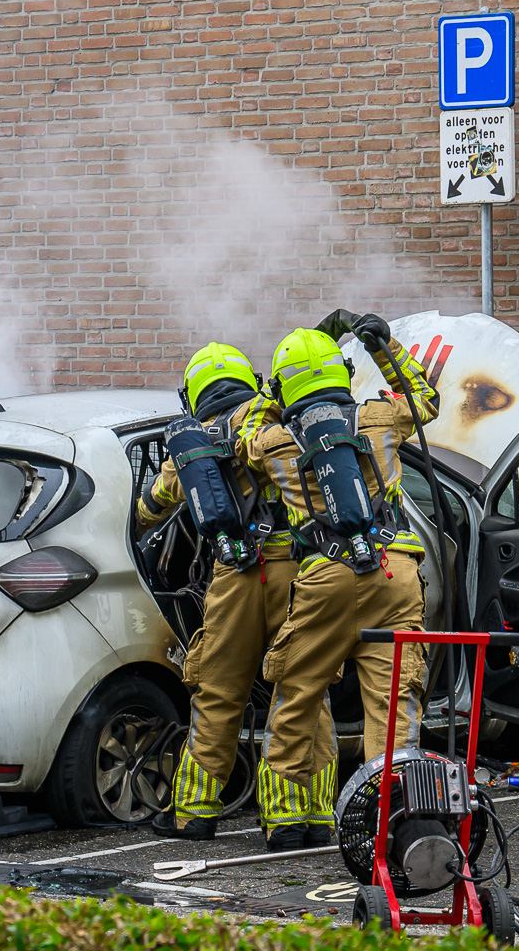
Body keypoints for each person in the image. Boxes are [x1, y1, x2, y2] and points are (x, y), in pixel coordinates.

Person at [138, 343, 338, 849]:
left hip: (234, 575)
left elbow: (151, 510)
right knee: (302, 689)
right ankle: (301, 818)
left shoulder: (191, 443)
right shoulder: (268, 416)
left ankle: (193, 813)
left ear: (194, 394)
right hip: (294, 569)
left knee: (218, 693)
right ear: (248, 378)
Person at [251, 311, 438, 827]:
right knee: (394, 698)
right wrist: (383, 347)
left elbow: (246, 433)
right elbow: (427, 401)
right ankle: (396, 816)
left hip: (323, 580)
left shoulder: (275, 442)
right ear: (344, 376)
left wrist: (273, 393)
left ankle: (287, 819)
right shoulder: (379, 418)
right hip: (393, 573)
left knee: (297, 690)